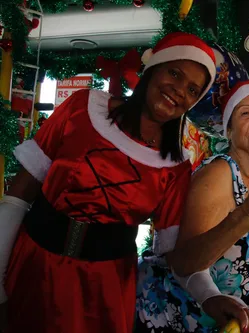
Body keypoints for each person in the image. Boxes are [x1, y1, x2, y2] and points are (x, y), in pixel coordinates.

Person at [0, 32, 216, 333]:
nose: (179, 90)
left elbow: (175, 256)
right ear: (153, 67)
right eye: (174, 73)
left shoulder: (176, 167)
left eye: (193, 89)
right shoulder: (82, 108)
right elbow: (20, 191)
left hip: (104, 291)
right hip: (34, 267)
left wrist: (212, 297)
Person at [135, 80, 249, 332]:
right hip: (185, 318)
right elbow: (185, 262)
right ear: (229, 131)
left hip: (247, 325)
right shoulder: (219, 174)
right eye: (246, 113)